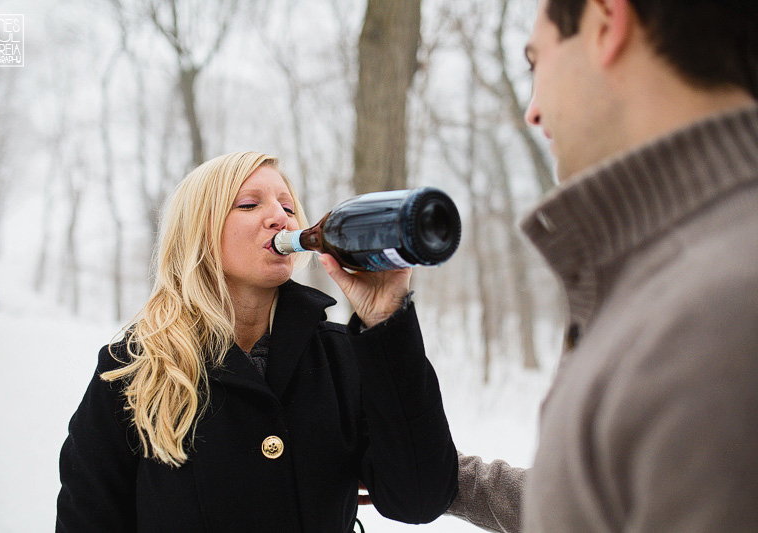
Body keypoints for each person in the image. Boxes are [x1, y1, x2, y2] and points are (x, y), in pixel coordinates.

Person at [327, 0, 758, 531]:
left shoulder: (715, 309)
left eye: (535, 62)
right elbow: (607, 499)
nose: (532, 110)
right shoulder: (672, 278)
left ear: (605, 22)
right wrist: (441, 475)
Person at [56, 151, 458, 532]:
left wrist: (388, 320)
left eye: (287, 207)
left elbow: (420, 498)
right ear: (199, 231)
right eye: (249, 204)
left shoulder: (339, 356)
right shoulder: (133, 368)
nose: (280, 218)